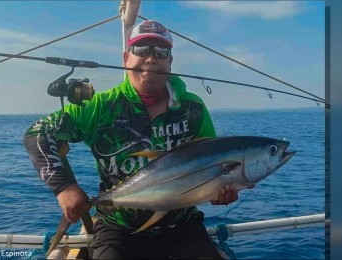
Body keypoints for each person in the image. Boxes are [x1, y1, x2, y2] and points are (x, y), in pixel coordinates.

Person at [24, 20, 241, 259]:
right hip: (117, 226)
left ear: (170, 61)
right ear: (126, 58)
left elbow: (209, 166)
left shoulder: (193, 108)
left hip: (182, 225)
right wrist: (64, 188)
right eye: (141, 50)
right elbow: (37, 133)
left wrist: (218, 191)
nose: (151, 58)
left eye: (161, 52)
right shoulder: (100, 107)